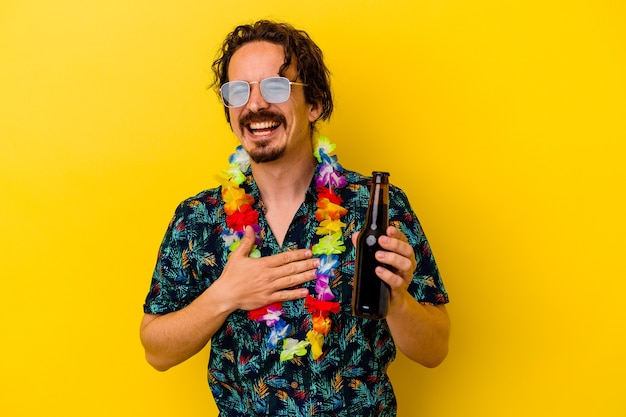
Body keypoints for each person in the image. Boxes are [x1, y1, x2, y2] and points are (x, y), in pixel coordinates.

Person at [140, 20, 450, 417]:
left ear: (314, 104)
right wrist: (224, 295)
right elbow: (156, 351)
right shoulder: (199, 219)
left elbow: (435, 350)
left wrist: (398, 301)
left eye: (275, 87)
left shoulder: (374, 208)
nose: (254, 105)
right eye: (239, 91)